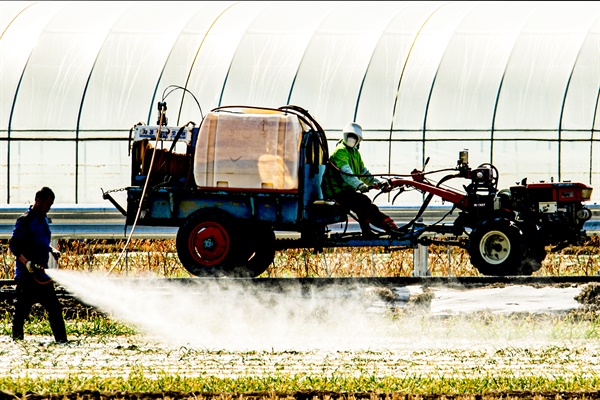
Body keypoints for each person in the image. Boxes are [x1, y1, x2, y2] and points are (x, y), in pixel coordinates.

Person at [9, 187, 68, 343]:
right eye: (47, 204)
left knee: (55, 309)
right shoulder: (25, 220)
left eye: (51, 205)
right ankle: (17, 341)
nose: (48, 208)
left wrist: (51, 249)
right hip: (27, 276)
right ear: (38, 200)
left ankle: (62, 341)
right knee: (21, 312)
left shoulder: (43, 220)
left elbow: (41, 242)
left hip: (42, 275)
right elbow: (14, 245)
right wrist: (26, 262)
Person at [321, 122, 399, 236]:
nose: (351, 139)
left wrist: (377, 183)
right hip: (337, 192)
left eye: (354, 137)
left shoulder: (355, 153)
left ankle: (375, 228)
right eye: (350, 136)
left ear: (358, 140)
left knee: (363, 203)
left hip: (346, 191)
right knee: (362, 202)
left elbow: (363, 172)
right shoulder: (340, 151)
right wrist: (359, 185)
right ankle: (386, 226)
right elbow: (346, 174)